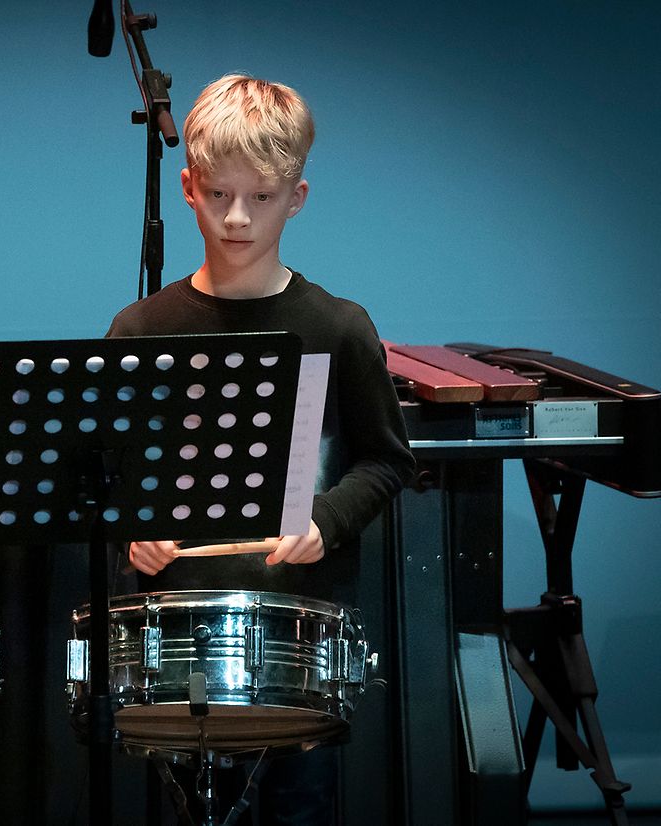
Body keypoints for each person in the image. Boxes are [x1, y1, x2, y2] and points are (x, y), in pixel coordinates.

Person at [106, 74, 415, 825]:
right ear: (187, 186)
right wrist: (130, 527)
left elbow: (387, 459)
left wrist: (325, 521)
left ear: (298, 197)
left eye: (263, 197)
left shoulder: (336, 326)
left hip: (296, 638)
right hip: (174, 633)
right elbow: (105, 474)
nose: (238, 218)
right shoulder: (141, 330)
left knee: (296, 812)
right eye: (218, 195)